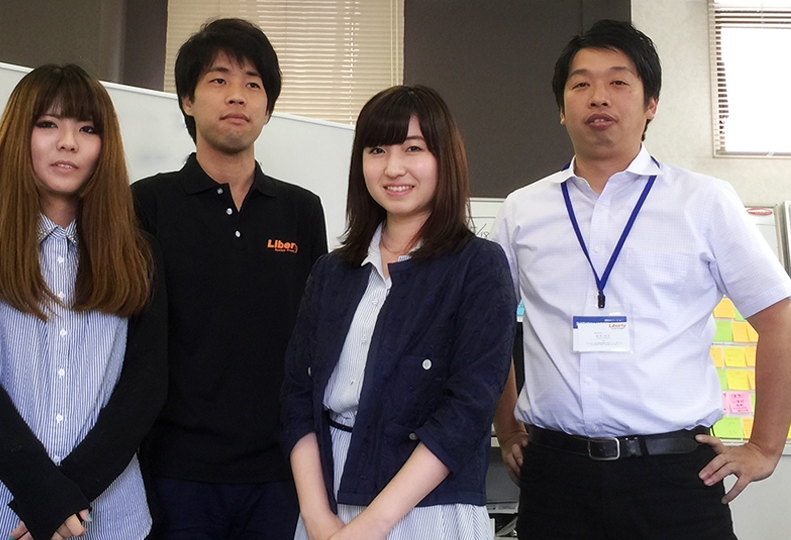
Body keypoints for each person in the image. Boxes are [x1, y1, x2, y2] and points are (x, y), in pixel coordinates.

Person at [490, 19, 791, 540]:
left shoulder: (703, 201)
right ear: (561, 107)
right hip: (556, 477)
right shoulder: (522, 210)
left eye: (618, 82)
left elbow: (779, 315)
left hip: (674, 477)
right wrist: (508, 428)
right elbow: (487, 326)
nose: (598, 96)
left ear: (651, 103)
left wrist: (765, 446)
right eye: (581, 84)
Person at [0, 64, 168, 540]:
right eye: (48, 124)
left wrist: (61, 502)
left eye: (87, 128)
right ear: (20, 136)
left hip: (109, 513)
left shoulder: (139, 254)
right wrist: (43, 495)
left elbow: (144, 389)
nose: (68, 142)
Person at [282, 85, 517, 540]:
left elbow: (467, 411)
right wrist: (316, 516)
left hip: (428, 505)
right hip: (328, 498)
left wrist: (371, 526)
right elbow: (297, 396)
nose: (393, 168)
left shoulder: (478, 266)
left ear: (444, 158)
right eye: (377, 150)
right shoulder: (333, 271)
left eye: (413, 149)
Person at [132, 18, 328, 539]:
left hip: (279, 469)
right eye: (218, 79)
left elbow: (316, 341)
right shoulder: (146, 203)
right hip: (175, 470)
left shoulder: (301, 211)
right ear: (188, 100)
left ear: (268, 107)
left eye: (252, 84)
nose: (236, 95)